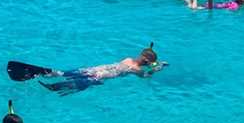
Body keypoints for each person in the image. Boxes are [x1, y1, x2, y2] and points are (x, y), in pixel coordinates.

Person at [36, 43, 168, 95]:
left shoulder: (127, 59)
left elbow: (146, 56)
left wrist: (152, 61)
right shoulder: (136, 70)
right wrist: (156, 69)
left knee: (65, 73)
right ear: (146, 61)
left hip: (96, 69)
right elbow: (146, 76)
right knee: (81, 85)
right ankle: (54, 87)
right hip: (101, 76)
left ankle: (47, 73)